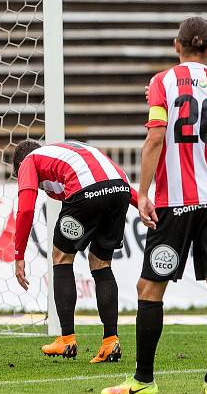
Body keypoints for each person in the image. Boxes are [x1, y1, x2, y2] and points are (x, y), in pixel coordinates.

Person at [101, 17, 207, 394]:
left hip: (175, 205)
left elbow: (154, 140)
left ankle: (144, 380)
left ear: (176, 45)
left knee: (149, 289)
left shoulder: (162, 83)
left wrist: (144, 193)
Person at [13, 140, 138, 364]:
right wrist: (145, 206)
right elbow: (112, 181)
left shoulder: (28, 161)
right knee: (101, 263)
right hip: (121, 189)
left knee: (61, 256)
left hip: (87, 192)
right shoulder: (65, 151)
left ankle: (66, 339)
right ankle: (110, 342)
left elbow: (26, 209)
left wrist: (18, 255)